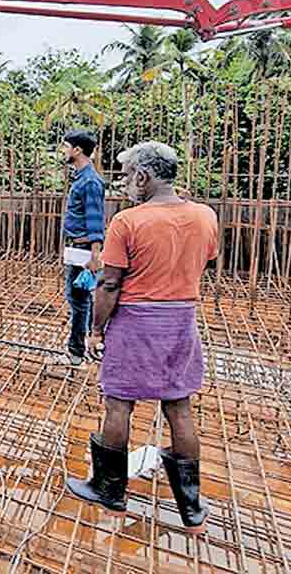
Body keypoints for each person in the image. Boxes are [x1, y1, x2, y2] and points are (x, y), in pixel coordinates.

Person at [65, 141, 218, 535]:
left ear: (144, 176)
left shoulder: (128, 221)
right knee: (178, 409)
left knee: (118, 405)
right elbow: (204, 260)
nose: (124, 181)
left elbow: (110, 284)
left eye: (128, 174)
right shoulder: (205, 216)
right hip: (181, 320)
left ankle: (109, 489)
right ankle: (192, 507)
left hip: (136, 322)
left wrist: (95, 331)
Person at [60, 129, 107, 366]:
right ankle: (89, 345)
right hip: (78, 250)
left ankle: (76, 351)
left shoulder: (90, 181)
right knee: (81, 300)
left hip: (84, 252)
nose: (63, 151)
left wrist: (95, 255)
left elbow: (95, 219)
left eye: (66, 146)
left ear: (77, 150)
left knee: (78, 302)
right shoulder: (82, 178)